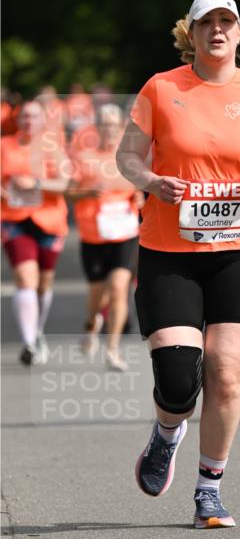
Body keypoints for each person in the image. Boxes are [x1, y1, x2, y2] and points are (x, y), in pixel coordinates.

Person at [116, 0, 240, 529]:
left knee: (225, 374)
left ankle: (209, 490)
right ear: (192, 33)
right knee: (179, 381)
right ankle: (166, 432)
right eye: (208, 23)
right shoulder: (162, 88)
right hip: (169, 252)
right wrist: (152, 181)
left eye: (228, 22)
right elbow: (126, 156)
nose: (218, 30)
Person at [69, 103, 141, 370]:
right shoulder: (84, 156)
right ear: (96, 127)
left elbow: (142, 187)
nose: (109, 129)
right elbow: (69, 191)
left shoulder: (130, 156)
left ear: (121, 126)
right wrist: (87, 193)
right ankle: (91, 324)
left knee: (120, 288)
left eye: (113, 124)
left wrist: (139, 196)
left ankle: (112, 349)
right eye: (104, 124)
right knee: (97, 295)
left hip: (125, 232)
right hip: (94, 235)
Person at [1, 100, 72, 364]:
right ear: (18, 120)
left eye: (34, 117)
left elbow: (65, 183)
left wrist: (37, 183)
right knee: (25, 278)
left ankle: (37, 330)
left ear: (43, 121)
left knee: (44, 283)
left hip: (49, 220)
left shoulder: (53, 148)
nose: (29, 122)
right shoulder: (5, 146)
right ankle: (29, 342)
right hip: (13, 218)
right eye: (24, 117)